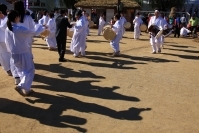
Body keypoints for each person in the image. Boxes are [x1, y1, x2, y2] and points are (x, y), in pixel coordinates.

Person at [5, 10, 44, 96]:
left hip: (14, 53)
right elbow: (33, 32)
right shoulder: (19, 29)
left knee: (21, 71)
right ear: (16, 18)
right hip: (22, 52)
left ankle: (27, 89)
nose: (19, 18)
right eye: (18, 17)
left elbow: (7, 42)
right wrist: (41, 26)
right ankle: (21, 86)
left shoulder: (8, 29)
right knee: (30, 70)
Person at [0, 4, 12, 76]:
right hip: (5, 39)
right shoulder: (7, 18)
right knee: (8, 54)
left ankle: (7, 69)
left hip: (2, 39)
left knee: (2, 54)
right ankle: (9, 69)